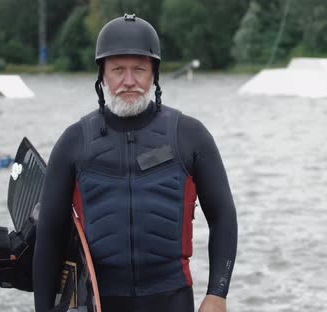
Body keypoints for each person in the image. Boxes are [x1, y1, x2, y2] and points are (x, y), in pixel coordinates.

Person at [33, 14, 238, 312]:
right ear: (102, 74)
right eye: (118, 70)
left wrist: (217, 293)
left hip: (171, 297)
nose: (129, 81)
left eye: (139, 69)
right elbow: (49, 233)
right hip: (98, 300)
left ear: (153, 73)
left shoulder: (190, 136)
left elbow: (223, 216)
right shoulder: (73, 142)